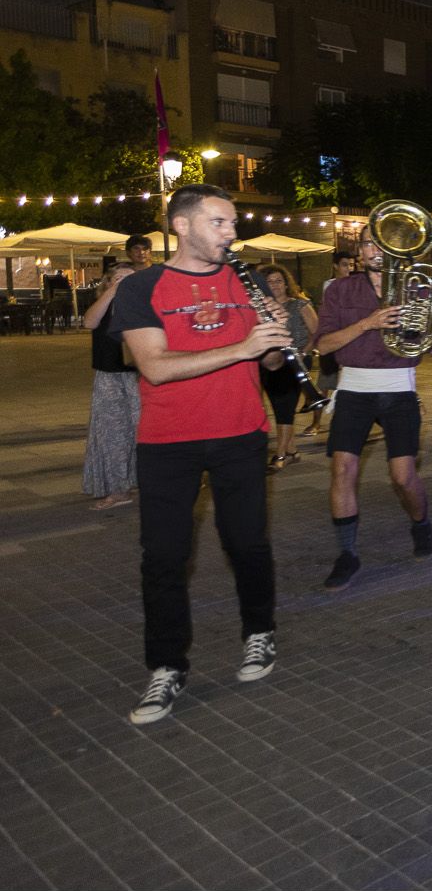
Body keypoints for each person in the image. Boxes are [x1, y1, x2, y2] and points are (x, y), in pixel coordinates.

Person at [110, 184, 290, 725]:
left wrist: (277, 340)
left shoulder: (248, 281)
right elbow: (156, 366)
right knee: (164, 557)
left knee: (247, 542)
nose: (232, 233)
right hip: (169, 442)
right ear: (182, 225)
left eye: (232, 223)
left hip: (240, 432)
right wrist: (242, 347)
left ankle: (259, 632)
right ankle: (166, 667)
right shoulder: (142, 287)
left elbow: (273, 364)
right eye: (220, 223)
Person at [312, 235, 432, 590]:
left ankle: (420, 523)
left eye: (383, 245)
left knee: (403, 477)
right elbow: (322, 344)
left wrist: (422, 321)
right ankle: (347, 554)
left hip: (399, 387)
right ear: (359, 251)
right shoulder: (339, 290)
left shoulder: (415, 287)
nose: (376, 251)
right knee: (342, 469)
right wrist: (367, 324)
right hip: (353, 388)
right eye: (369, 244)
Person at [81, 236, 153, 510]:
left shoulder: (142, 303)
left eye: (129, 278)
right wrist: (112, 291)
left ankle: (146, 481)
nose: (124, 282)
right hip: (109, 376)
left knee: (143, 432)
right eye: (117, 278)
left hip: (139, 376)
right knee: (111, 434)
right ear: (108, 282)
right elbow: (89, 322)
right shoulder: (104, 303)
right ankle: (118, 489)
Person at [258, 264, 319, 472]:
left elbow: (316, 332)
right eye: (269, 281)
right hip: (269, 362)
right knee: (277, 406)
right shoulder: (260, 309)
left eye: (278, 281)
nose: (274, 285)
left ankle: (281, 454)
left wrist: (304, 352)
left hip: (295, 361)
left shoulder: (299, 305)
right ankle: (292, 450)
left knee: (284, 406)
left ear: (286, 284)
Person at [300, 249, 357, 438]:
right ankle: (316, 422)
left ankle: (341, 423)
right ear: (335, 266)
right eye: (344, 264)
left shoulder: (358, 284)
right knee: (324, 381)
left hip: (352, 338)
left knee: (348, 384)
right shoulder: (329, 285)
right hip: (332, 339)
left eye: (351, 265)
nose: (349, 268)